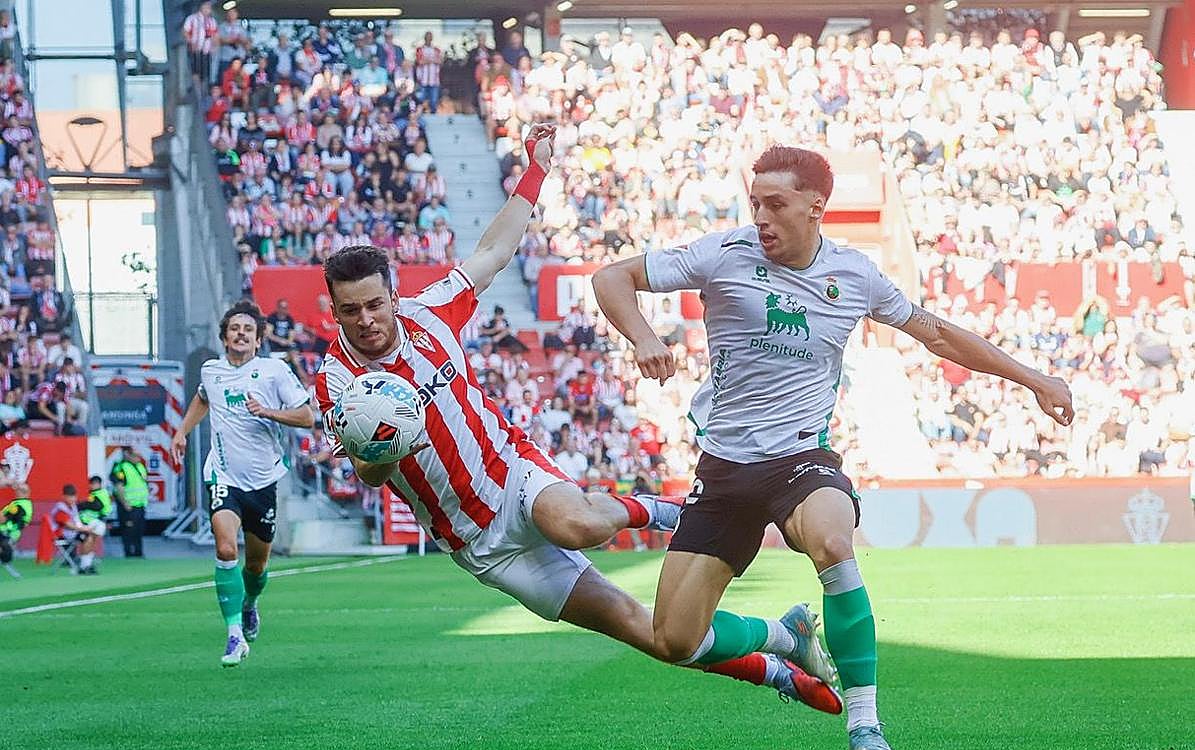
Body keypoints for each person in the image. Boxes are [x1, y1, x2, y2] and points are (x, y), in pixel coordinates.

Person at [315, 125, 842, 716]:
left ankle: (672, 512)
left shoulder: (430, 314)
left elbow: (493, 252)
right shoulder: (336, 380)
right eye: (350, 310)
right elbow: (366, 472)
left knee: (579, 526)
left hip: (510, 473)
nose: (366, 320)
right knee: (652, 635)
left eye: (374, 304)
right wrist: (385, 442)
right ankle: (780, 648)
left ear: (393, 294)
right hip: (478, 541)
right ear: (333, 310)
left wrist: (535, 169)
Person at [592, 145, 1075, 750]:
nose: (760, 216)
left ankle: (866, 724)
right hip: (725, 466)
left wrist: (1031, 376)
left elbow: (938, 333)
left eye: (776, 204)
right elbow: (610, 278)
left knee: (830, 539)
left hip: (801, 459)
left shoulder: (855, 275)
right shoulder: (723, 254)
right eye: (755, 202)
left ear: (816, 207)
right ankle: (784, 639)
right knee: (676, 641)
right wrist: (645, 337)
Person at [172, 300, 314, 667]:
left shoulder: (274, 372)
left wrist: (268, 412)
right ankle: (234, 636)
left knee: (256, 566)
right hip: (223, 475)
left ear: (257, 340)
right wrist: (182, 431)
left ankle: (250, 604)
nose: (240, 334)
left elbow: (307, 416)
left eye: (248, 330)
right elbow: (203, 399)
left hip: (264, 480)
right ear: (225, 336)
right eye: (235, 328)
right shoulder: (211, 371)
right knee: (224, 550)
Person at [49, 484, 99, 574]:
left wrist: (86, 528)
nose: (73, 499)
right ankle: (84, 565)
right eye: (70, 497)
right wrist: (84, 529)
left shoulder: (73, 507)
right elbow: (68, 525)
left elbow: (77, 522)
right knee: (86, 536)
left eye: (74, 496)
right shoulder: (61, 508)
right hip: (61, 535)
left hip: (71, 533)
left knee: (92, 535)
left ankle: (86, 564)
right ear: (64, 496)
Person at [110, 446, 149, 558]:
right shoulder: (121, 467)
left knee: (139, 529)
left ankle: (138, 552)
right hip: (128, 505)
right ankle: (129, 552)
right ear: (128, 455)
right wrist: (125, 502)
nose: (138, 458)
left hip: (140, 504)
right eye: (136, 455)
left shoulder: (140, 466)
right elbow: (119, 487)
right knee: (128, 530)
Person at [0, 482, 31, 578]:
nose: (17, 491)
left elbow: (4, 520)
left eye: (19, 490)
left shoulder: (18, 506)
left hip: (6, 534)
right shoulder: (26, 505)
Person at [77, 475, 113, 541]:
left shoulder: (97, 494)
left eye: (93, 484)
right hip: (96, 519)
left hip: (92, 519)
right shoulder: (101, 492)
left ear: (98, 484)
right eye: (90, 484)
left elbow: (97, 506)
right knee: (89, 537)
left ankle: (86, 551)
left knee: (86, 538)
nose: (91, 486)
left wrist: (81, 506)